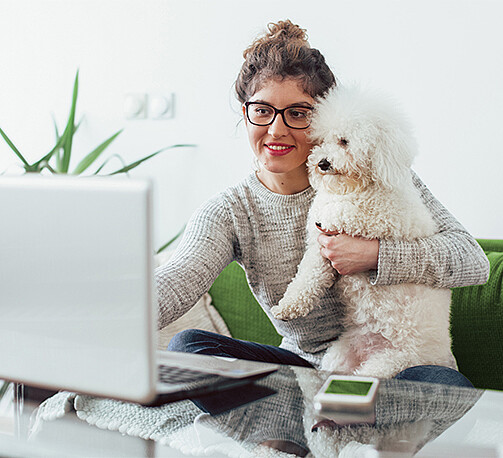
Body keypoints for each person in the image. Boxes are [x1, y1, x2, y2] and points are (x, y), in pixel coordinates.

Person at [156, 20, 489, 387]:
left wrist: (375, 255)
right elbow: (175, 284)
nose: (277, 130)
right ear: (245, 111)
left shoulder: (376, 175)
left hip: (400, 368)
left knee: (445, 387)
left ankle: (312, 426)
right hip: (305, 371)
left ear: (323, 117)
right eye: (263, 110)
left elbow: (471, 260)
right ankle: (310, 421)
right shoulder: (232, 211)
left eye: (298, 113)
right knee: (189, 347)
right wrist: (100, 313)